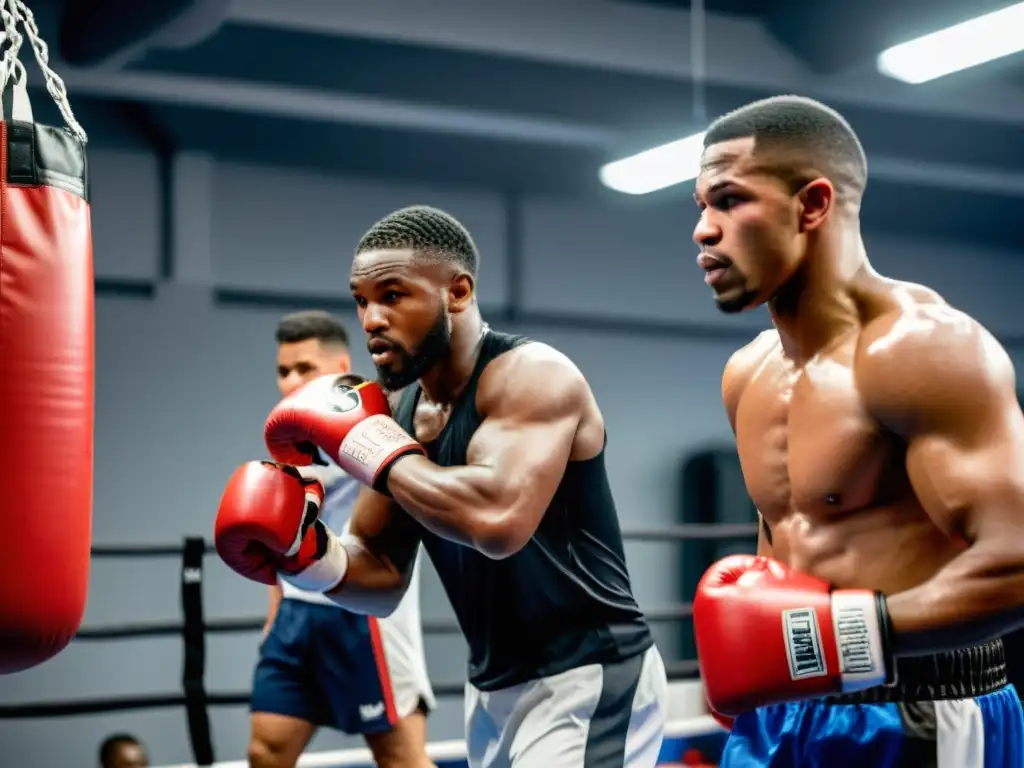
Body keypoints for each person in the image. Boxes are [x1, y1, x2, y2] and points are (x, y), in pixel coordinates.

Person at [215, 206, 669, 767]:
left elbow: (496, 522)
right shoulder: (401, 411)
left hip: (588, 673)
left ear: (456, 292)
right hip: (493, 687)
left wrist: (367, 446)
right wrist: (309, 554)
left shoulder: (532, 376)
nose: (371, 319)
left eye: (393, 295)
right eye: (361, 301)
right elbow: (380, 571)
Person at [689, 94, 1024, 766]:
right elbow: (777, 533)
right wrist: (757, 653)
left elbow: (1018, 561)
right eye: (699, 207)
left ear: (811, 205)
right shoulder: (746, 373)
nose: (703, 230)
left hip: (920, 711)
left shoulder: (924, 352)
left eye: (728, 201)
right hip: (783, 710)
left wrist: (834, 640)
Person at [246, 310, 435, 768]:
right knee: (266, 751)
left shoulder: (381, 418)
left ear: (339, 366)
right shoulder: (286, 436)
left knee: (400, 759)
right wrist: (275, 614)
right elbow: (283, 531)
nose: (290, 380)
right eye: (283, 370)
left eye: (304, 368)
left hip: (362, 616)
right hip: (296, 618)